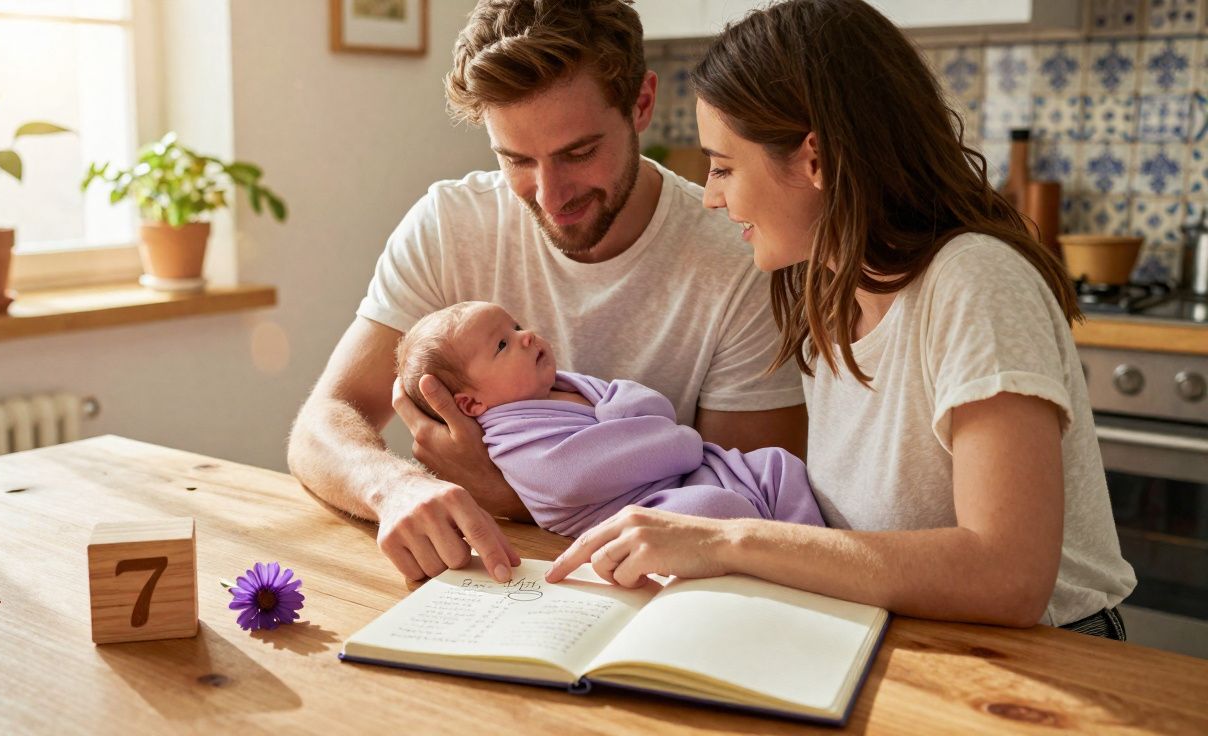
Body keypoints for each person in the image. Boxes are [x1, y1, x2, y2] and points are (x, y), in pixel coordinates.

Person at [546, 0, 1136, 638]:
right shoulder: (824, 290)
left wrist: (728, 540)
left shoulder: (974, 282)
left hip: (1053, 651)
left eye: (722, 167)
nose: (711, 196)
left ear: (815, 159)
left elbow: (1009, 577)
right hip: (902, 630)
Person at [287, 0, 807, 586]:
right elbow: (325, 420)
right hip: (485, 575)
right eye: (516, 160)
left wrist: (506, 493)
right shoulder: (449, 225)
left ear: (641, 103)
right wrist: (394, 486)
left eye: (579, 153)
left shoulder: (741, 257)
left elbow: (744, 517)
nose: (551, 197)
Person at [394, 300, 826, 537]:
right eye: (502, 346)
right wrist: (673, 440)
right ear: (470, 405)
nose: (525, 337)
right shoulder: (510, 437)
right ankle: (776, 561)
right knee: (713, 508)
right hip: (636, 511)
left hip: (686, 472)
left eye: (517, 326)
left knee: (777, 464)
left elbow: (648, 404)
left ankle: (811, 552)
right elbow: (571, 476)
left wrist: (635, 421)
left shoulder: (565, 383)